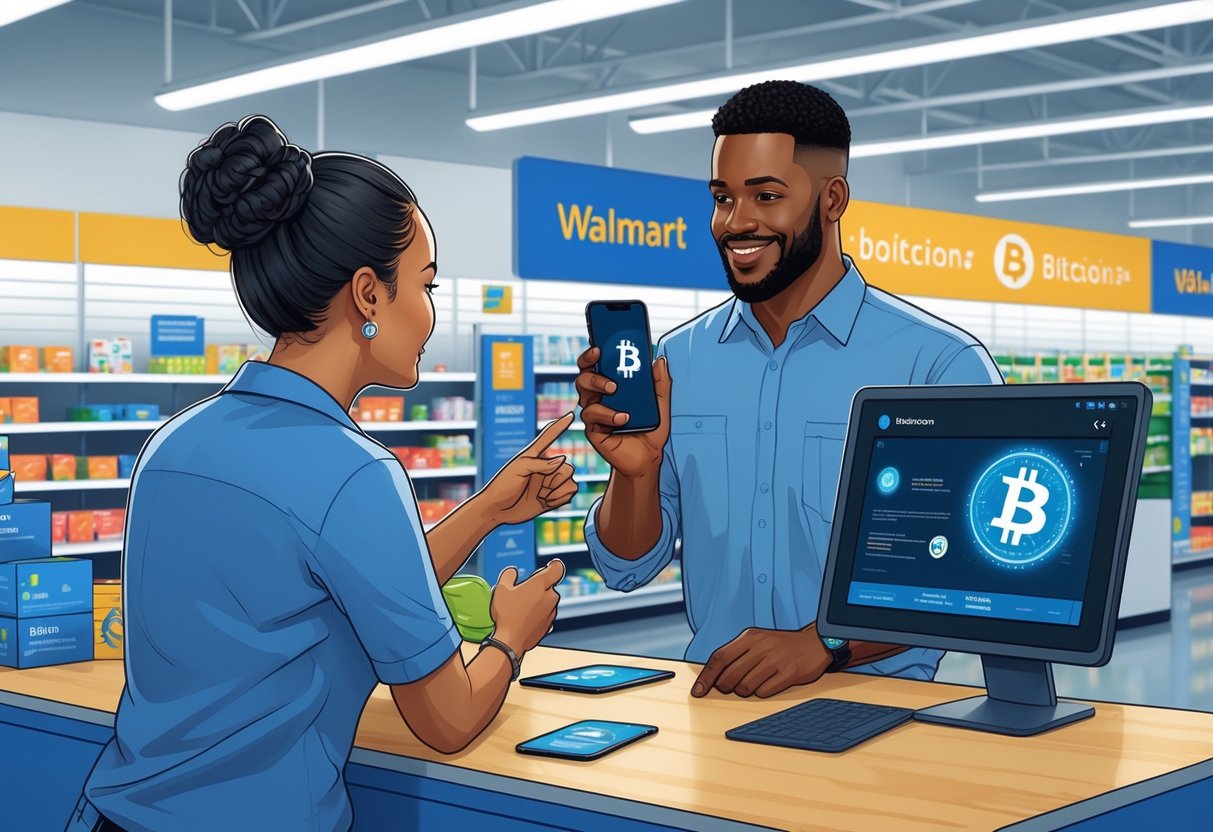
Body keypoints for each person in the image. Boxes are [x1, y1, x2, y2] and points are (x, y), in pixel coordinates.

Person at [68, 115, 576, 832]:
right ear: (369, 295)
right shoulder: (352, 473)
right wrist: (510, 637)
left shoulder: (176, 445)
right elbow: (448, 718)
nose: (429, 315)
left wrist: (489, 509)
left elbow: (335, 591)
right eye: (424, 285)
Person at [577, 80, 1003, 700]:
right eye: (722, 198)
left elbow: (970, 570)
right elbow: (626, 567)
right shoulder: (678, 361)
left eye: (766, 196)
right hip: (713, 711)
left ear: (832, 200)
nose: (735, 223)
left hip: (882, 719)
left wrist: (827, 642)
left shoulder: (937, 365)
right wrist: (635, 473)